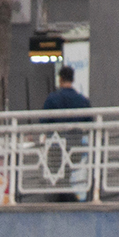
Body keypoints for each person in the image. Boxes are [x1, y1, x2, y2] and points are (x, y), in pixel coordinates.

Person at [40, 65, 91, 201]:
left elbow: (43, 121)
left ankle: (60, 197)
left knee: (57, 176)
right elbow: (89, 123)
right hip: (75, 148)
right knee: (67, 174)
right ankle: (68, 196)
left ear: (60, 79)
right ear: (73, 79)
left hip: (56, 148)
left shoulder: (52, 99)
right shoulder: (82, 100)